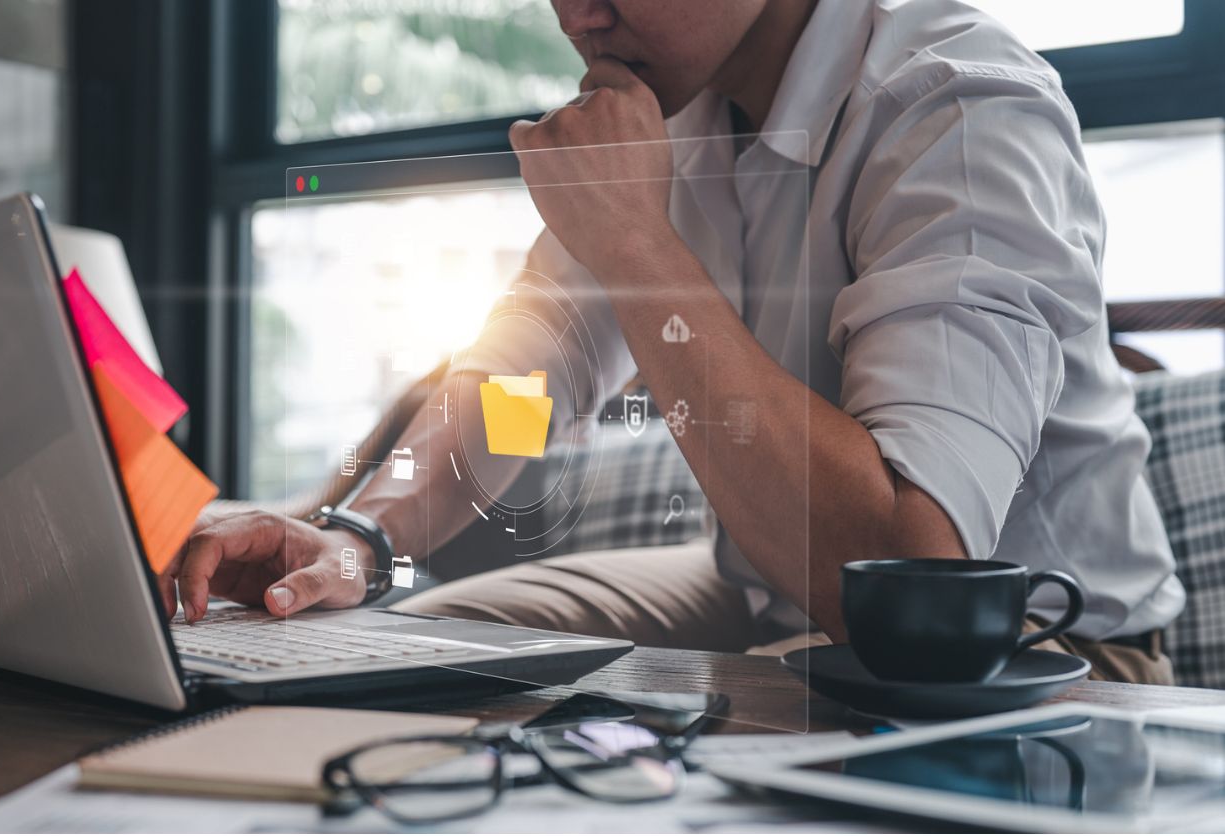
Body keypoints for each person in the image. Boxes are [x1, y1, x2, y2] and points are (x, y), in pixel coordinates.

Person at [163, 0, 1184, 684]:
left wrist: (640, 245)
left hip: (1028, 648)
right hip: (756, 589)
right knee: (406, 664)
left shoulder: (956, 108)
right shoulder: (676, 111)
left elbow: (902, 573)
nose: (578, 15)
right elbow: (528, 382)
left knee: (620, 751)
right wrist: (361, 538)